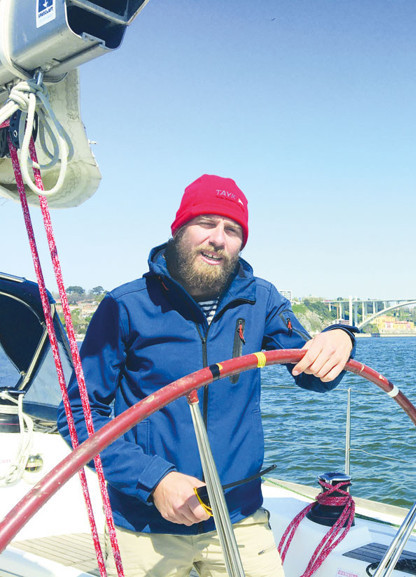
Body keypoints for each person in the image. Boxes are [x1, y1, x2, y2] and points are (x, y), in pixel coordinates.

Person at [57, 174, 355, 577]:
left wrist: (340, 338)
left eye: (233, 230)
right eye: (206, 223)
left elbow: (314, 373)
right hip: (145, 526)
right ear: (178, 230)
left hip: (240, 517)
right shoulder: (124, 306)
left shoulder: (260, 298)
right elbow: (77, 416)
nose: (219, 238)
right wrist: (154, 481)